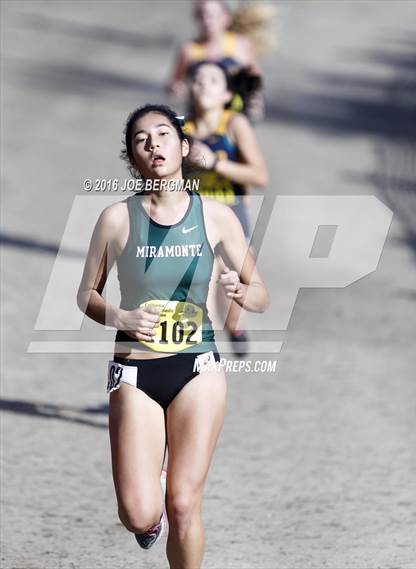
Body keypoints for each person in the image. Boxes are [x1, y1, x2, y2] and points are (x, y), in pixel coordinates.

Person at [77, 104, 269, 567]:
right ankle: (150, 509)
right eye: (141, 139)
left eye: (163, 135)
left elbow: (261, 294)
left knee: (184, 504)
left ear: (183, 148)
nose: (153, 144)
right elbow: (86, 296)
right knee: (138, 513)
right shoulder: (115, 219)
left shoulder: (218, 217)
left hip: (197, 367)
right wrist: (121, 318)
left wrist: (242, 291)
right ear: (133, 157)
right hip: (135, 371)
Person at [185, 61, 268, 356]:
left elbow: (259, 176)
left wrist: (215, 163)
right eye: (197, 79)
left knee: (230, 293)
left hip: (233, 216)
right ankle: (197, 353)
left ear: (225, 94)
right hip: (195, 218)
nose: (203, 84)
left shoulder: (234, 125)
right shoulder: (181, 129)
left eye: (212, 80)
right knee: (198, 290)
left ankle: (235, 327)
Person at [167, 0, 274, 121]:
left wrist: (256, 101)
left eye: (213, 15)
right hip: (200, 117)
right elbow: (173, 84)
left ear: (226, 17)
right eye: (203, 15)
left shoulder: (240, 44)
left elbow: (255, 78)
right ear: (197, 18)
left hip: (235, 115)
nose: (207, 21)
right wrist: (178, 90)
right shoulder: (189, 49)